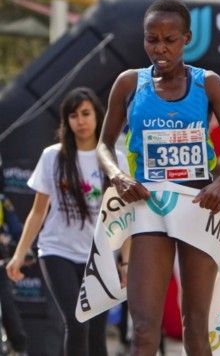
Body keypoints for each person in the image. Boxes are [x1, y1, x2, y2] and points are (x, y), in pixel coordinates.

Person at [96, 0, 220, 355]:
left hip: (198, 205)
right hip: (150, 206)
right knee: (145, 328)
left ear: (187, 38)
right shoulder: (128, 84)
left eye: (169, 39)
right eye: (152, 39)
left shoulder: (208, 84)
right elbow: (104, 147)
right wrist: (118, 175)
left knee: (195, 327)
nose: (160, 48)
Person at [6, 87, 129, 356]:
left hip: (100, 256)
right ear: (66, 121)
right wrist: (18, 255)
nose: (80, 121)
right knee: (76, 322)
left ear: (97, 116)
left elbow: (123, 215)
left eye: (85, 114)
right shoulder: (53, 156)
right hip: (57, 250)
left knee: (97, 331)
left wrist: (125, 262)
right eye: (73, 116)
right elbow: (38, 212)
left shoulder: (115, 160)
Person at [0, 153, 28, 356]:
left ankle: (18, 349)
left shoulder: (2, 201)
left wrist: (23, 248)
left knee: (10, 312)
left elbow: (17, 229)